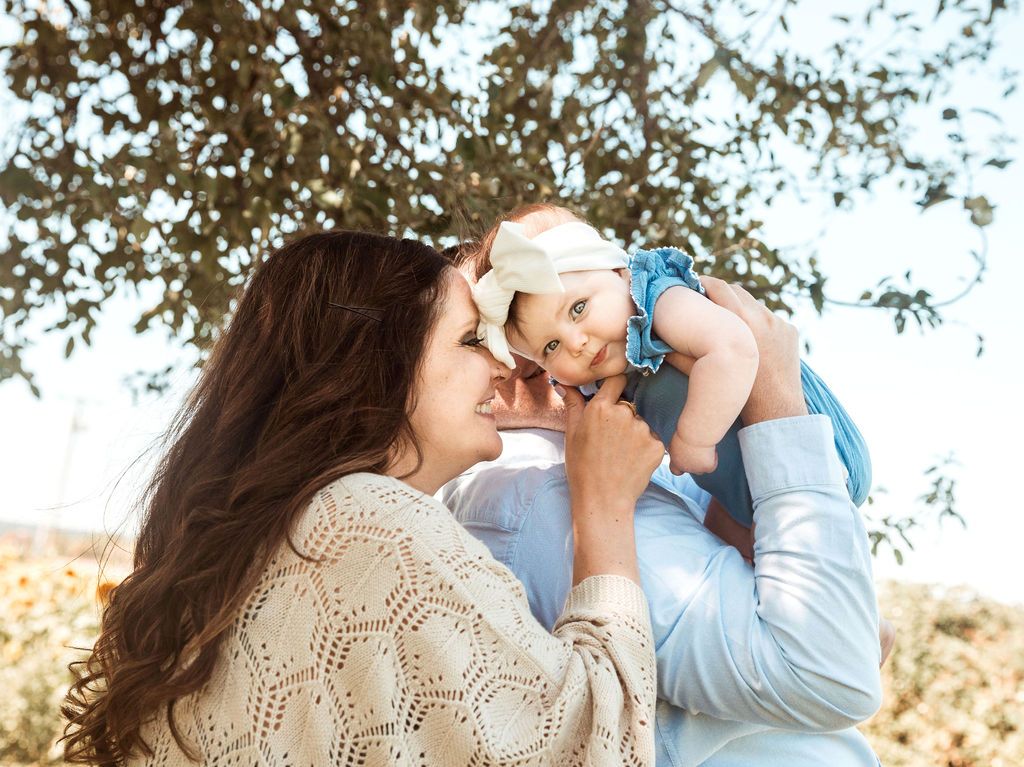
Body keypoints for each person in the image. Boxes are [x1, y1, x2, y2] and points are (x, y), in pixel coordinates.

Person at [61, 230, 666, 766]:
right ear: (381, 364)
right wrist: (604, 507)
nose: (502, 370)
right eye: (469, 341)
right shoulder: (368, 526)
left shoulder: (258, 551)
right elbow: (585, 744)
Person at [441, 272, 888, 766]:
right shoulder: (539, 491)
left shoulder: (635, 459)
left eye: (576, 300)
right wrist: (774, 399)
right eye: (497, 331)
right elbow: (834, 674)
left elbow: (838, 629)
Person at [468, 203, 872, 537]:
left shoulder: (658, 299)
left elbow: (733, 349)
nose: (576, 343)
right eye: (551, 346)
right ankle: (871, 626)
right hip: (747, 495)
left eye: (578, 308)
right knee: (738, 560)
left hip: (817, 457)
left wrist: (694, 439)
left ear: (618, 273)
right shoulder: (606, 368)